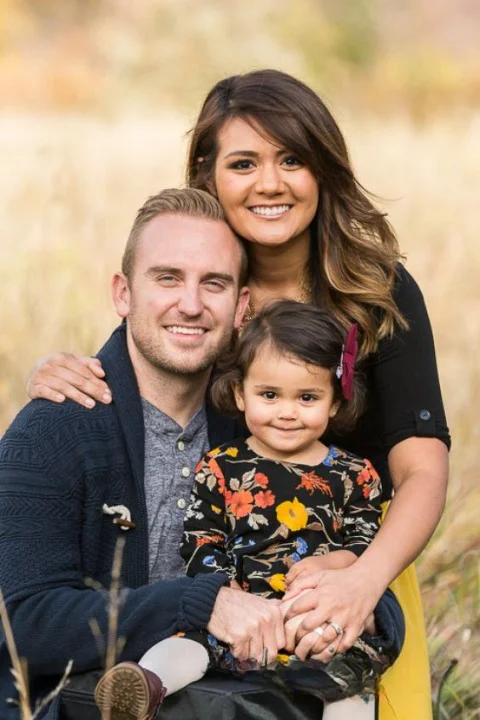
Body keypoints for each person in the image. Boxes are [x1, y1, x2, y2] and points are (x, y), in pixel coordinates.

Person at [26, 69, 450, 718]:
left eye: (292, 159)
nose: (270, 183)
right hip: (233, 579)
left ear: (323, 168)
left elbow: (421, 468)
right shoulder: (210, 288)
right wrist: (63, 372)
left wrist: (365, 580)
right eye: (244, 162)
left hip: (352, 571)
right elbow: (144, 354)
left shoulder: (375, 290)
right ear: (208, 176)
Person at [0, 188, 293, 720]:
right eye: (167, 278)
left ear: (242, 306)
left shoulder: (262, 429)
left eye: (214, 283)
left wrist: (347, 602)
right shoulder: (51, 430)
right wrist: (201, 602)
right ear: (123, 293)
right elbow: (23, 622)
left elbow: (344, 540)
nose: (190, 304)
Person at [94, 301, 405, 720]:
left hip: (315, 618)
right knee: (186, 646)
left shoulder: (355, 473)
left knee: (350, 685)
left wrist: (338, 562)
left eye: (308, 397)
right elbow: (202, 538)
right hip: (239, 615)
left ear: (335, 402)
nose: (287, 412)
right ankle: (145, 684)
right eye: (270, 394)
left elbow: (367, 539)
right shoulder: (222, 465)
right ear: (241, 393)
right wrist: (223, 590)